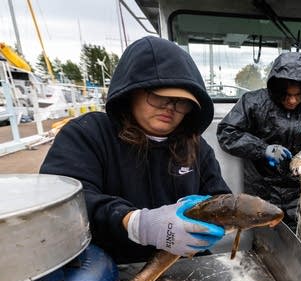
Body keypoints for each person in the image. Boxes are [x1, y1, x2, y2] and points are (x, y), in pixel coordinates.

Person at [40, 36, 231, 264]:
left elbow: (220, 195)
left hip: (185, 261)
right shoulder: (87, 134)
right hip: (113, 266)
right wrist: (135, 223)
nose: (170, 108)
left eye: (182, 102)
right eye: (160, 96)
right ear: (132, 92)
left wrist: (217, 217)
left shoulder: (197, 146)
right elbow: (62, 203)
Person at [216, 52, 301, 263]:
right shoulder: (253, 102)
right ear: (275, 89)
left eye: (298, 95)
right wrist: (262, 149)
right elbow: (227, 133)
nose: (292, 100)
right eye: (286, 95)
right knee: (267, 249)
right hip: (263, 192)